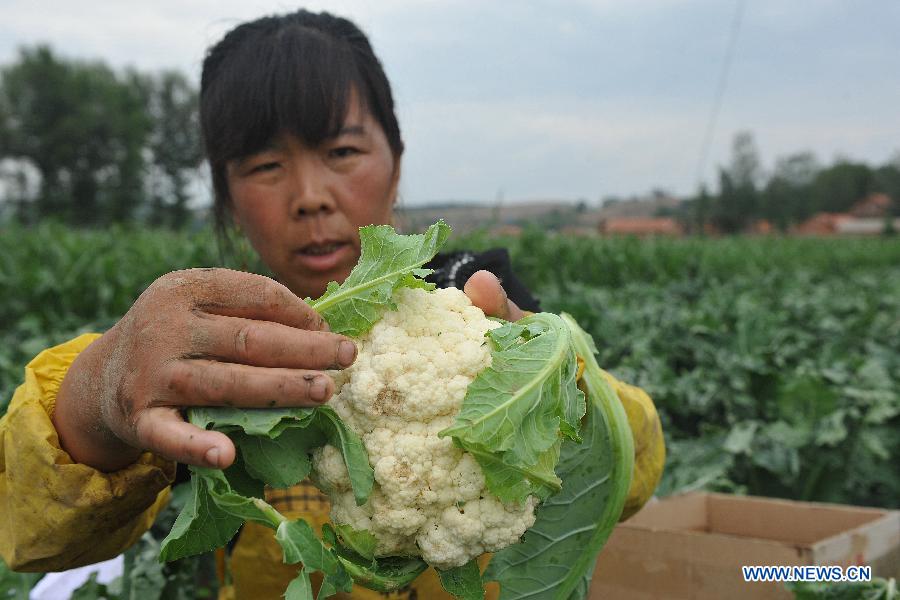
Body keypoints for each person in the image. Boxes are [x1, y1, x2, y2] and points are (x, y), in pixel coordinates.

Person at [0, 9, 664, 599]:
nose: (311, 195)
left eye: (341, 151)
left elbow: (631, 472)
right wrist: (104, 388)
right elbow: (29, 535)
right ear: (226, 197)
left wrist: (559, 385)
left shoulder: (477, 301)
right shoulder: (204, 348)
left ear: (396, 163)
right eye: (265, 165)